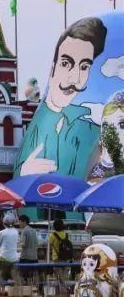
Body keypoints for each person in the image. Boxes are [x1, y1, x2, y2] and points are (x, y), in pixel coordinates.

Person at [15, 18, 107, 178]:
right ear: (53, 68)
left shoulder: (91, 128)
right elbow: (16, 180)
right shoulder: (37, 127)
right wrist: (24, 171)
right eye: (66, 64)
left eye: (84, 67)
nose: (75, 79)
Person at [0, 217, 19, 282]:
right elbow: (17, 241)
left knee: (2, 278)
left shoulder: (2, 232)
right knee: (13, 278)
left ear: (4, 223)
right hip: (14, 258)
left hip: (4, 258)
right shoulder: (16, 232)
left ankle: (3, 288)